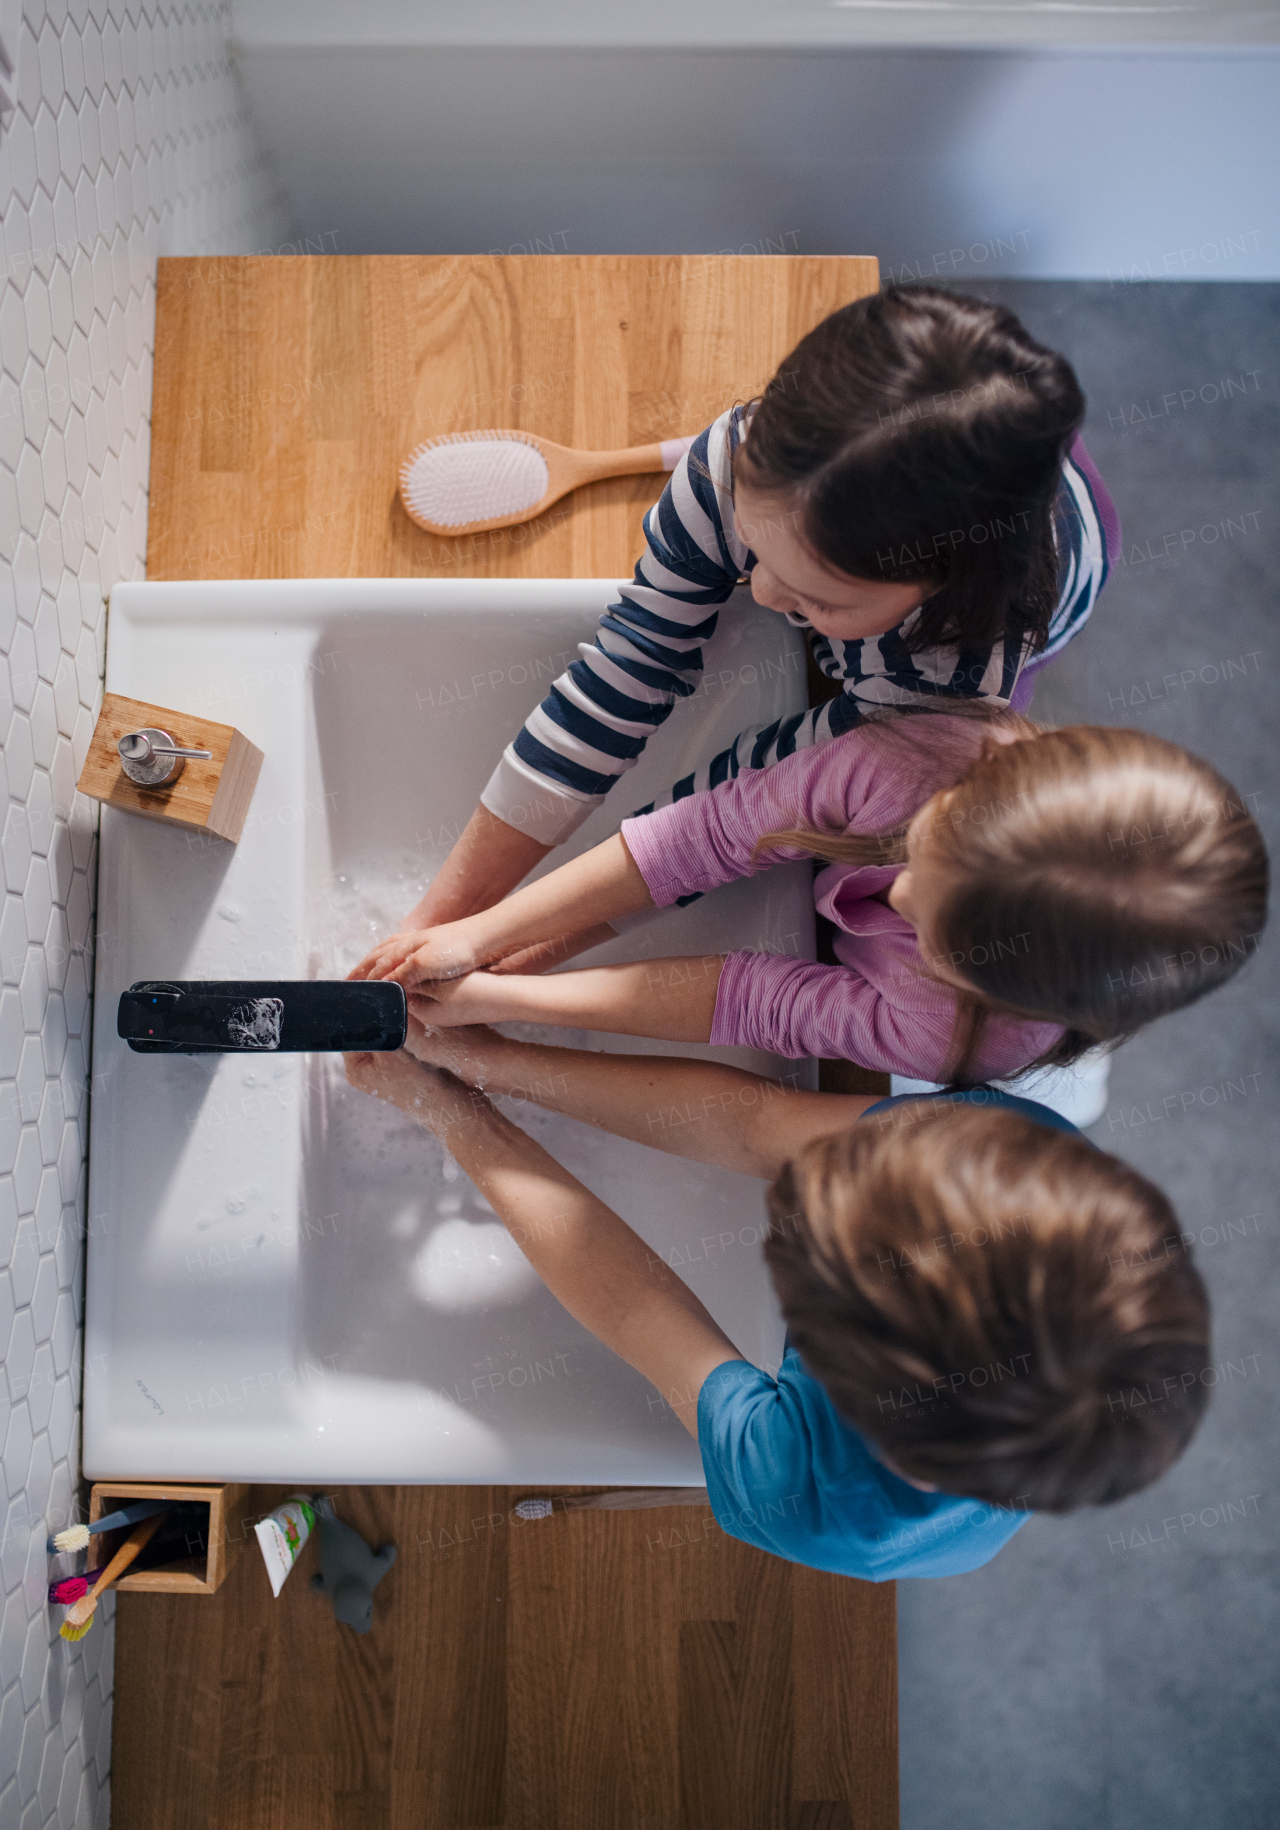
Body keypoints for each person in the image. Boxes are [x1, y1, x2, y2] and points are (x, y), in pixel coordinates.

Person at [343, 1019, 1210, 1578]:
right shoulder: (1001, 1163)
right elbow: (756, 1128)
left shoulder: (812, 1498)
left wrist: (453, 1113)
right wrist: (496, 1062)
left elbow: (636, 1306)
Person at [399, 285, 1120, 942]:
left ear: (937, 588)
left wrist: (537, 940)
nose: (768, 596)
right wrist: (448, 914)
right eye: (756, 542)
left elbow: (752, 799)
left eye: (818, 597)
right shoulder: (728, 457)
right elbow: (630, 663)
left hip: (1028, 597)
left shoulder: (951, 686)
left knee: (917, 790)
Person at [354, 717, 1268, 1087]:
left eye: (931, 931)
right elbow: (705, 835)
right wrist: (482, 934)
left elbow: (759, 1001)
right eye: (926, 850)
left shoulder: (970, 1036)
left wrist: (502, 1000)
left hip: (987, 1054)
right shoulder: (918, 762)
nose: (897, 889)